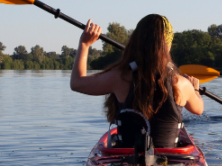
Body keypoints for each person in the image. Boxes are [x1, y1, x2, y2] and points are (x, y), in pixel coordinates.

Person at [70, 14, 203, 149]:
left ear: (136, 41)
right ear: (168, 45)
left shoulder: (119, 78)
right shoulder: (181, 84)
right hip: (170, 161)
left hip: (127, 161)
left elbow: (77, 83)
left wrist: (84, 44)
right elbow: (199, 109)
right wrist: (194, 89)